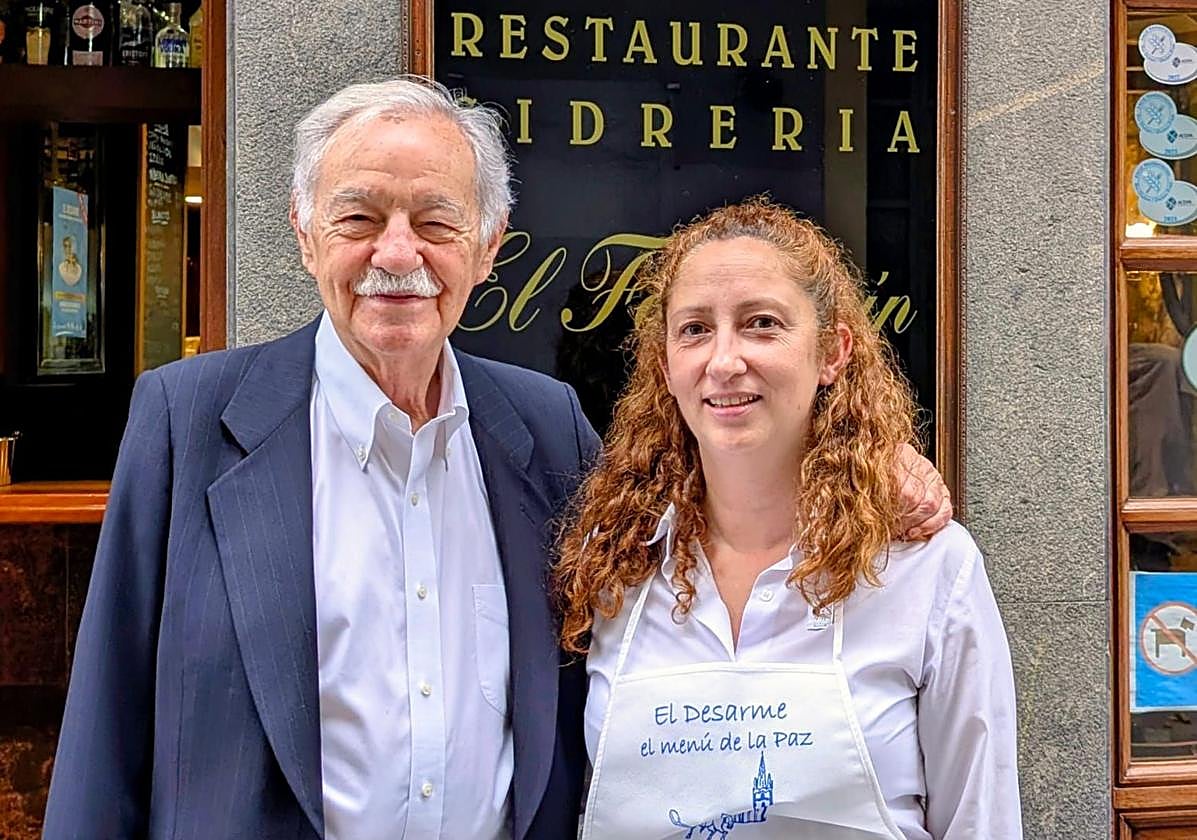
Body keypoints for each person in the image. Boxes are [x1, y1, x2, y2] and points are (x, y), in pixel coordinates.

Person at [43, 78, 950, 839]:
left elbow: (707, 498)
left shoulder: (545, 428)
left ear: (488, 246)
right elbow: (104, 730)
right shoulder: (188, 420)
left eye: (436, 221)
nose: (396, 253)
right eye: (358, 216)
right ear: (304, 232)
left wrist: (876, 467)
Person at [556, 199, 1021, 839]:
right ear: (665, 365)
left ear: (832, 352)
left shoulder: (928, 567)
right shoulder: (616, 564)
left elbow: (982, 821)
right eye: (694, 329)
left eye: (762, 324)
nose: (724, 361)